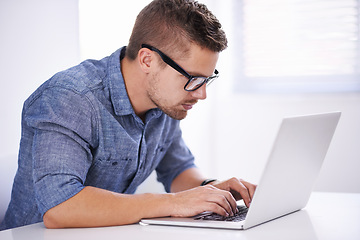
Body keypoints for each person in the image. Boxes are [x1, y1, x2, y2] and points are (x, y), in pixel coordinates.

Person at [0, 0, 256, 230]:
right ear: (147, 60)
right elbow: (60, 208)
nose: (201, 95)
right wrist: (174, 203)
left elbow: (177, 169)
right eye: (193, 80)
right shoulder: (70, 98)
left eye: (207, 80)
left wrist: (210, 190)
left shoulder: (166, 102)